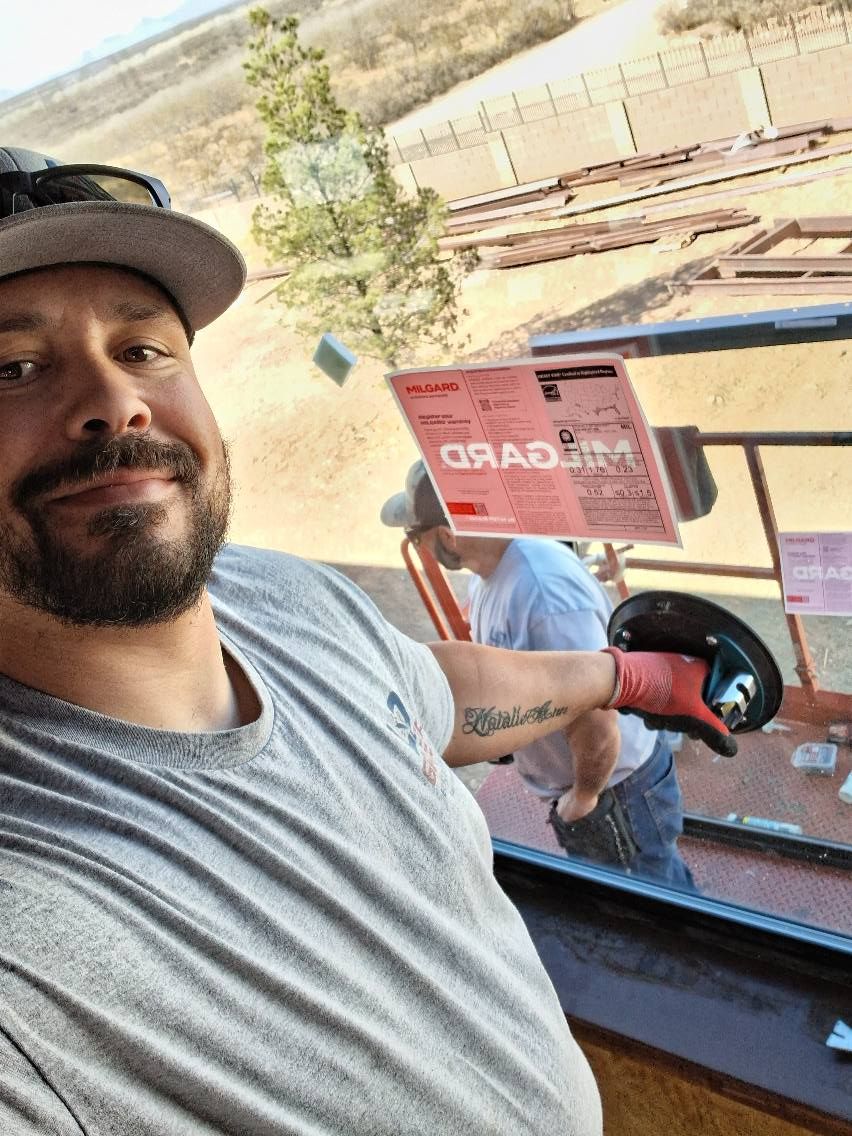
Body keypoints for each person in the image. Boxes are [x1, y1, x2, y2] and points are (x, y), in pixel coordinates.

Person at [0, 146, 731, 1136]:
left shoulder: (286, 595)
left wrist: (627, 674)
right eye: (12, 366)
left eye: (142, 349)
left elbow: (430, 693)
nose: (114, 403)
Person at [381, 461, 696, 887]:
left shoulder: (543, 596)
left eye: (418, 537)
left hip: (615, 791)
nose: (419, 549)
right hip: (595, 786)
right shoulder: (492, 575)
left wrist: (582, 798)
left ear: (449, 535)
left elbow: (597, 719)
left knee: (656, 909)